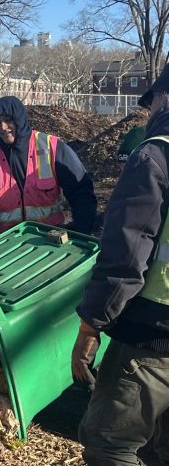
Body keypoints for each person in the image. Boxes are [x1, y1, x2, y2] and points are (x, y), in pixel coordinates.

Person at [73, 64, 169, 465]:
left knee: (109, 443)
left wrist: (92, 323)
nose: (148, 114)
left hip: (151, 334)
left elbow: (127, 252)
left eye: (153, 103)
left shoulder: (156, 155)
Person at [0, 96, 97, 253]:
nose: (3, 127)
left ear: (20, 120)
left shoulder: (51, 147)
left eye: (8, 120)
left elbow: (81, 193)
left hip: (51, 241)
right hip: (4, 244)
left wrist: (81, 231)